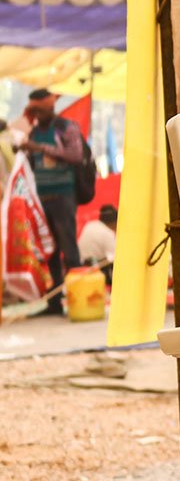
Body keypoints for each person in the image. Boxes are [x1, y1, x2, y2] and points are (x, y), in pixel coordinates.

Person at [20, 89, 83, 315]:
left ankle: (78, 299)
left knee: (69, 249)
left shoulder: (66, 127)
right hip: (42, 199)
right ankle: (54, 303)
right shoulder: (35, 132)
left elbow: (75, 155)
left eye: (38, 110)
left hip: (63, 197)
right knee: (50, 252)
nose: (35, 114)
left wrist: (41, 148)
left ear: (49, 108)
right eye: (33, 110)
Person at [78, 204, 118, 282]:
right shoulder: (107, 233)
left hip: (80, 265)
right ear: (114, 222)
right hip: (94, 268)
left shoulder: (90, 225)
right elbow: (115, 257)